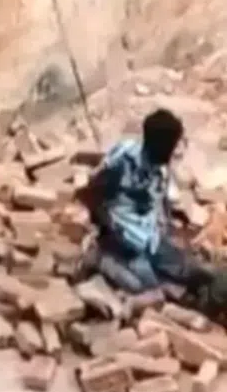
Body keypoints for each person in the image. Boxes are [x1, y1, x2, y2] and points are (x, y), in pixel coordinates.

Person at [87, 108, 206, 294]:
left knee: (191, 273)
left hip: (151, 239)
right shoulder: (124, 160)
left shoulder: (161, 169)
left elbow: (162, 204)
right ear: (160, 145)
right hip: (122, 241)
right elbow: (93, 192)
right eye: (172, 145)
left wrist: (169, 232)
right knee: (146, 288)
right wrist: (109, 229)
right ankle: (100, 260)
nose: (175, 150)